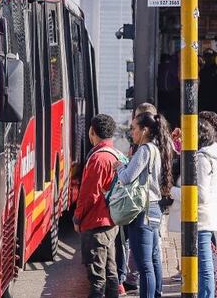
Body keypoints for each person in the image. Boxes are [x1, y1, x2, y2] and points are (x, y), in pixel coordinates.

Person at [118, 112, 174, 298]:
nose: (131, 132)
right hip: (154, 208)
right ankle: (156, 294)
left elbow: (126, 178)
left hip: (142, 211)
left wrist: (118, 166)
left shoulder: (144, 150)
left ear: (145, 130)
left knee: (144, 265)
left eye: (134, 128)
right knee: (154, 258)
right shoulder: (156, 148)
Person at [74, 114, 125, 298]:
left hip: (96, 224)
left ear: (92, 132)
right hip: (112, 222)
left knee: (97, 279)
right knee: (111, 273)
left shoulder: (98, 159)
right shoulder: (116, 154)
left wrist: (77, 217)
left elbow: (89, 195)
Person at [193, 118, 217, 298]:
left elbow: (201, 194)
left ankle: (205, 295)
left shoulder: (202, 158)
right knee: (205, 262)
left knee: (204, 263)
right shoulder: (213, 155)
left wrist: (176, 191)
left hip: (202, 217)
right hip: (210, 214)